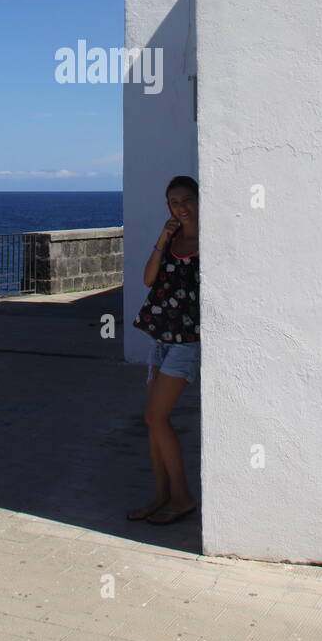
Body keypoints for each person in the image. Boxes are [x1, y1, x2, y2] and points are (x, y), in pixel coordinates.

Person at [127, 175, 199, 525]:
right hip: (161, 337)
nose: (181, 207)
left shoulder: (207, 241)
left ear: (199, 199)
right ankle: (161, 497)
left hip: (187, 341)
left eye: (187, 199)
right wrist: (162, 236)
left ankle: (182, 497)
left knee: (157, 417)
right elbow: (147, 278)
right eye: (174, 202)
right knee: (152, 421)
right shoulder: (171, 241)